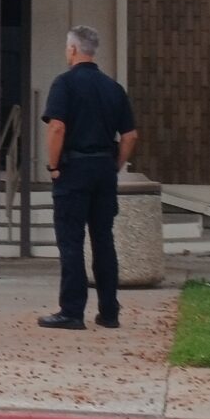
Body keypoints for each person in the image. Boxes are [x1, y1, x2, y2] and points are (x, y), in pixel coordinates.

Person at [39, 25, 137, 330]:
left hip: (74, 170)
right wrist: (115, 165)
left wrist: (53, 166)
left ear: (72, 50)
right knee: (103, 241)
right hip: (103, 170)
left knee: (71, 242)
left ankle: (72, 311)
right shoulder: (113, 88)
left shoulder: (64, 84)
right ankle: (109, 311)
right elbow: (130, 135)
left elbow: (57, 128)